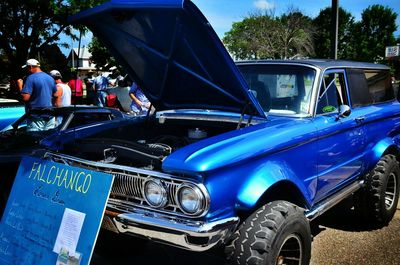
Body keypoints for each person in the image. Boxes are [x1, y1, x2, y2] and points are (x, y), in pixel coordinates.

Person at [20, 59, 58, 131]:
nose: (27, 70)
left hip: (36, 116)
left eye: (27, 68)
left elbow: (25, 98)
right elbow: (56, 95)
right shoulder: (50, 78)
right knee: (47, 139)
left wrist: (20, 86)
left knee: (34, 139)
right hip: (50, 115)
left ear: (31, 67)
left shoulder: (30, 78)